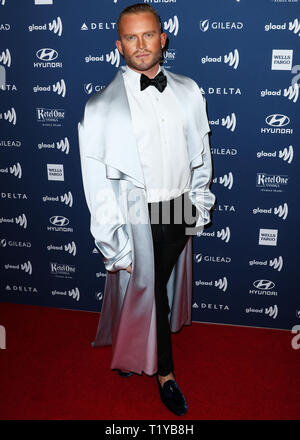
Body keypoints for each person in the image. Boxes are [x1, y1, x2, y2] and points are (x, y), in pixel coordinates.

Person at [78, 3, 215, 416]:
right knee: (149, 292)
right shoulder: (101, 107)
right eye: (132, 38)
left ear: (163, 38)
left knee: (153, 291)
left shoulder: (189, 91)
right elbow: (97, 185)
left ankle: (131, 347)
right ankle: (165, 374)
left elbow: (201, 156)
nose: (141, 45)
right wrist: (113, 243)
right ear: (119, 45)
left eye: (148, 35)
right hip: (137, 218)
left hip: (178, 208)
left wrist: (200, 205)